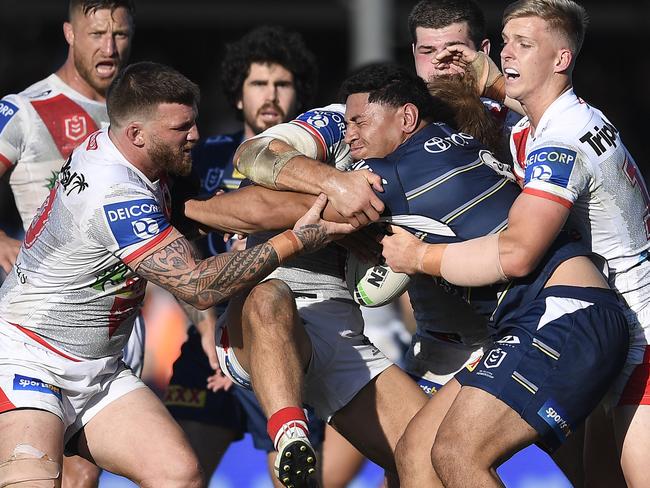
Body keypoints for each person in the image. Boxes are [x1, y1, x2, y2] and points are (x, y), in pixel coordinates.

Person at [0, 61, 349, 488]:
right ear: (136, 135)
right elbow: (199, 286)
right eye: (181, 128)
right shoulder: (115, 192)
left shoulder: (129, 153)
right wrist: (296, 240)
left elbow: (191, 213)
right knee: (35, 480)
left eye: (194, 123)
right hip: (29, 357)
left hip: (99, 368)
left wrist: (212, 215)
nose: (195, 137)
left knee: (179, 475)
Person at [382, 0, 644, 485]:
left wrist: (419, 256)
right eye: (506, 43)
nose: (508, 55)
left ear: (561, 59)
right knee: (424, 453)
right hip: (580, 315)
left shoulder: (560, 138)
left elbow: (517, 254)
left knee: (457, 454)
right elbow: (514, 97)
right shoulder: (538, 123)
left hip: (624, 321)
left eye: (523, 45)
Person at [163, 26, 327, 488]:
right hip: (208, 333)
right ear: (238, 95)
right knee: (177, 472)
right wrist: (202, 324)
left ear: (300, 95)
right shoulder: (204, 156)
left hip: (282, 328)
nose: (270, 95)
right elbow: (176, 246)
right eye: (258, 83)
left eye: (282, 84)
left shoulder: (319, 169)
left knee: (293, 473)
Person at [0, 2, 141, 486]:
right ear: (68, 32)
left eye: (119, 34)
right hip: (43, 327)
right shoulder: (24, 109)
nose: (109, 48)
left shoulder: (140, 116)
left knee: (83, 479)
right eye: (96, 33)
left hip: (119, 329)